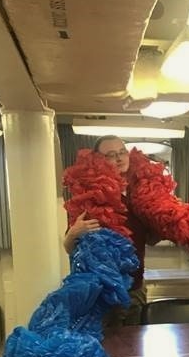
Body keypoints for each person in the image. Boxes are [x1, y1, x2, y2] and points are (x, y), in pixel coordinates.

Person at [63, 135, 159, 326]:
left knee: (136, 350)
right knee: (108, 348)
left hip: (135, 289)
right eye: (111, 155)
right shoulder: (89, 195)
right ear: (98, 160)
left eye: (122, 152)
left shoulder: (140, 194)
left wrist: (166, 219)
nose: (119, 158)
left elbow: (151, 239)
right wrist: (74, 232)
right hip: (101, 292)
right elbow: (69, 247)